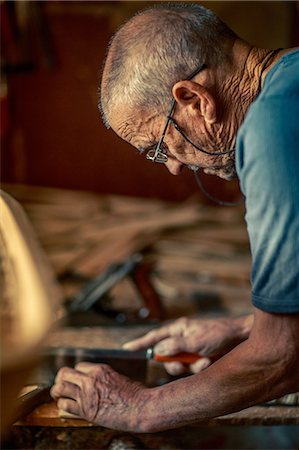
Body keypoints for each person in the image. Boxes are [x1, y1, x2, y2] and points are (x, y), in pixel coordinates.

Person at [50, 3, 299, 432]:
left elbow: (283, 356)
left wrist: (138, 407)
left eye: (161, 146)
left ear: (194, 99)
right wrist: (244, 328)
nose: (173, 167)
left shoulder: (271, 128)